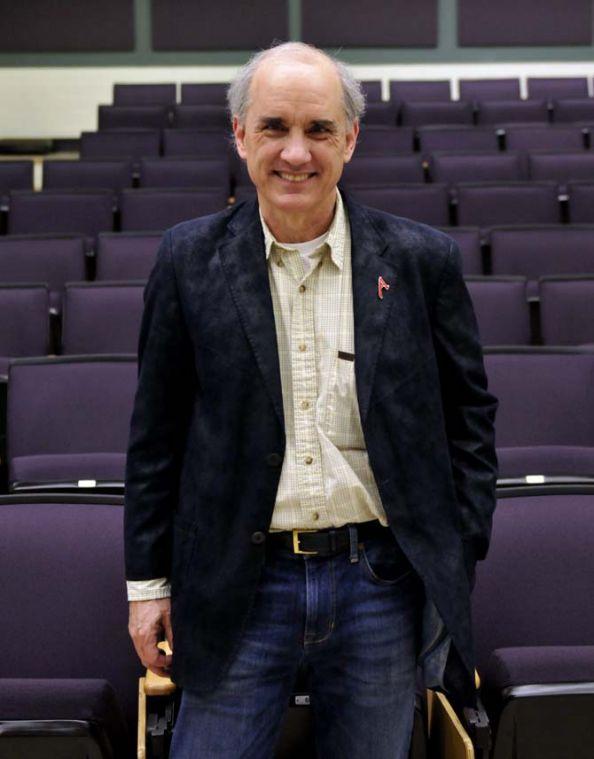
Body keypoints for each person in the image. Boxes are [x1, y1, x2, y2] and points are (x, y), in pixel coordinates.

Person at [125, 41, 498, 758]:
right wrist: (147, 583)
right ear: (240, 135)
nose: (296, 152)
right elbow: (156, 436)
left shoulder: (422, 261)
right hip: (238, 583)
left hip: (379, 584)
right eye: (274, 127)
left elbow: (469, 418)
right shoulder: (186, 259)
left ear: (351, 139)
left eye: (319, 130)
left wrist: (453, 547)